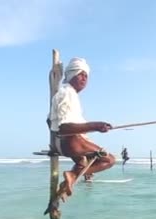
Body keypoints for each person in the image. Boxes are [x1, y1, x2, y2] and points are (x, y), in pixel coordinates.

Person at [48, 57, 116, 199]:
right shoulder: (67, 93)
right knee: (109, 160)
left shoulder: (66, 93)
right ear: (72, 74)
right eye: (80, 74)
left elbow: (49, 121)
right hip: (70, 144)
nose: (84, 78)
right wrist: (96, 126)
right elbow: (64, 128)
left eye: (86, 75)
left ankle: (67, 184)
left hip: (61, 144)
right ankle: (72, 175)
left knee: (83, 163)